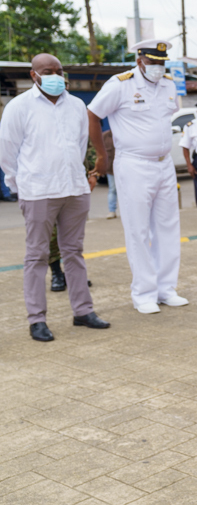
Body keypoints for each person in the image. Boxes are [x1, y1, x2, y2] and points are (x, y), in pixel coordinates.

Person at [0, 53, 110, 341]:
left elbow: (78, 145)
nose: (55, 76)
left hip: (74, 190)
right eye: (48, 71)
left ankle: (83, 311)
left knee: (74, 252)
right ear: (34, 75)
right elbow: (7, 152)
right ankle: (37, 319)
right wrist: (19, 186)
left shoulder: (76, 105)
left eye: (59, 70)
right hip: (38, 191)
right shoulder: (18, 107)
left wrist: (86, 175)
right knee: (36, 255)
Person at [88, 38, 189, 315]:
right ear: (139, 60)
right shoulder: (120, 85)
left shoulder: (169, 84)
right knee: (138, 230)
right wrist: (101, 154)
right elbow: (93, 114)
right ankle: (143, 293)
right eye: (152, 62)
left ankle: (166, 289)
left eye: (161, 63)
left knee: (168, 228)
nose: (157, 67)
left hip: (164, 164)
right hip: (134, 165)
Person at [102, 127, 118, 219]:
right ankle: (112, 211)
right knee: (112, 189)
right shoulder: (105, 136)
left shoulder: (123, 134)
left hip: (123, 167)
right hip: (110, 168)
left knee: (126, 190)